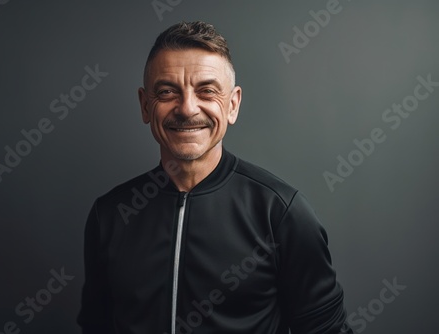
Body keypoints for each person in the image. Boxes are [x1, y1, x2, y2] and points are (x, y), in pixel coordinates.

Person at [77, 21, 353, 334]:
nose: (187, 108)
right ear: (145, 105)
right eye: (167, 92)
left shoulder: (281, 213)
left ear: (232, 105)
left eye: (207, 91)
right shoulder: (110, 214)